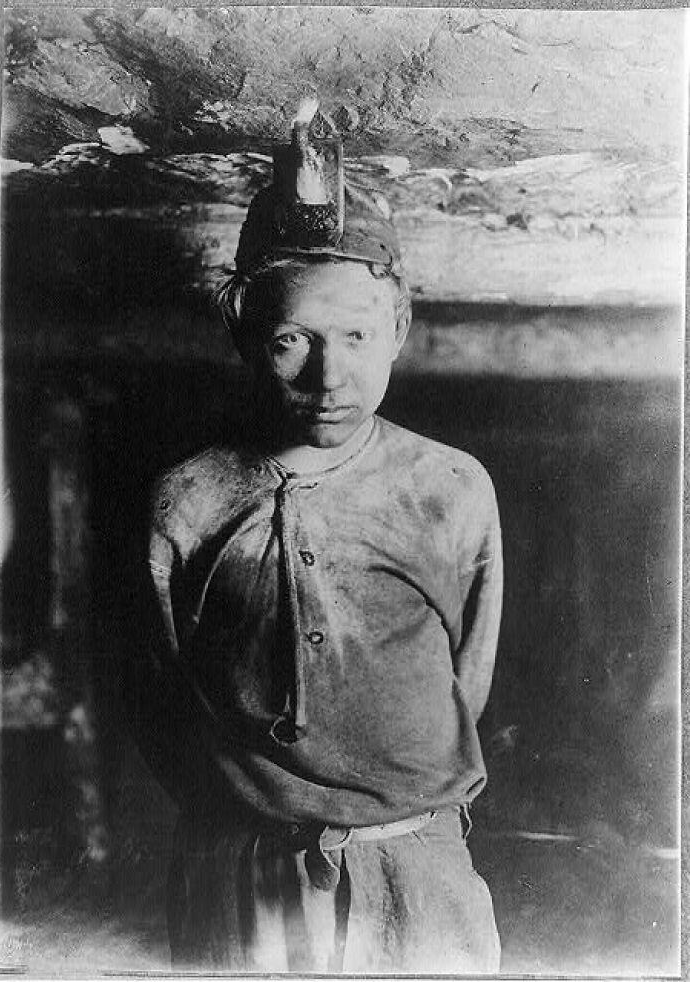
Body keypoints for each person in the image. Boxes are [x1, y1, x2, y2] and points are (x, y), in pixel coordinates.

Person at [135, 100, 503, 974]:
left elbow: (467, 681)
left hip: (415, 872)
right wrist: (250, 820)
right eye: (291, 340)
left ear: (400, 331)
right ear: (241, 334)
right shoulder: (187, 500)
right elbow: (158, 695)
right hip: (239, 873)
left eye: (356, 337)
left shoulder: (451, 488)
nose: (330, 376)